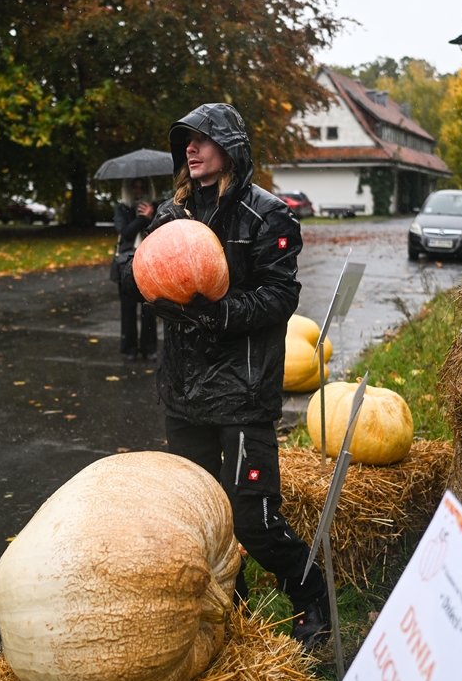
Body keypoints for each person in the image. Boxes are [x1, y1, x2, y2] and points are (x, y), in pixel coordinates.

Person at [121, 103, 330, 650]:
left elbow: (281, 296)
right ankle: (228, 610)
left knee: (253, 519)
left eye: (202, 140)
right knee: (201, 520)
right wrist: (131, 262)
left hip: (242, 391)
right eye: (184, 142)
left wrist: (218, 312)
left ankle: (311, 595)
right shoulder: (171, 216)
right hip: (184, 393)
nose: (190, 150)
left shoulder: (268, 216)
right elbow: (140, 280)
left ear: (229, 147)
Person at [112, 178, 158, 361]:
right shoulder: (122, 208)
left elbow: (160, 232)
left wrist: (151, 216)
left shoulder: (155, 207)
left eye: (142, 187)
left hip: (150, 262)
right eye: (135, 187)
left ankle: (149, 348)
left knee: (150, 309)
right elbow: (125, 233)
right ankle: (129, 348)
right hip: (126, 264)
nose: (138, 190)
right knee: (128, 309)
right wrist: (142, 218)